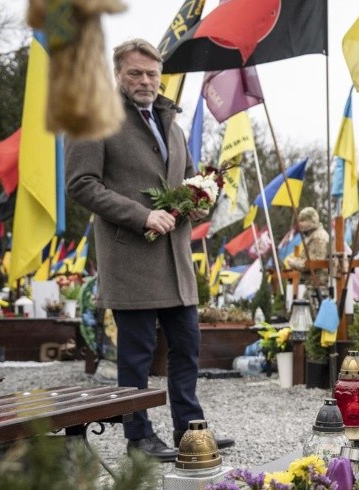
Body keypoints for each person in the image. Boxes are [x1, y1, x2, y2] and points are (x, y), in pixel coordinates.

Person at [67, 38, 234, 461]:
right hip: (132, 257)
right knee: (137, 356)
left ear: (162, 77)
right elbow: (81, 184)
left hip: (176, 261)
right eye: (135, 73)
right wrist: (141, 215)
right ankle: (138, 438)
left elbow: (189, 180)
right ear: (117, 75)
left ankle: (190, 429)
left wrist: (201, 198)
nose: (145, 81)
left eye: (152, 74)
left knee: (186, 349)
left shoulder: (171, 124)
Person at [284, 207, 330, 294]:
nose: (300, 224)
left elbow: (314, 262)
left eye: (302, 221)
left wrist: (294, 263)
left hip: (318, 286)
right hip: (312, 284)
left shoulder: (318, 237)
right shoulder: (312, 236)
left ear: (310, 221)